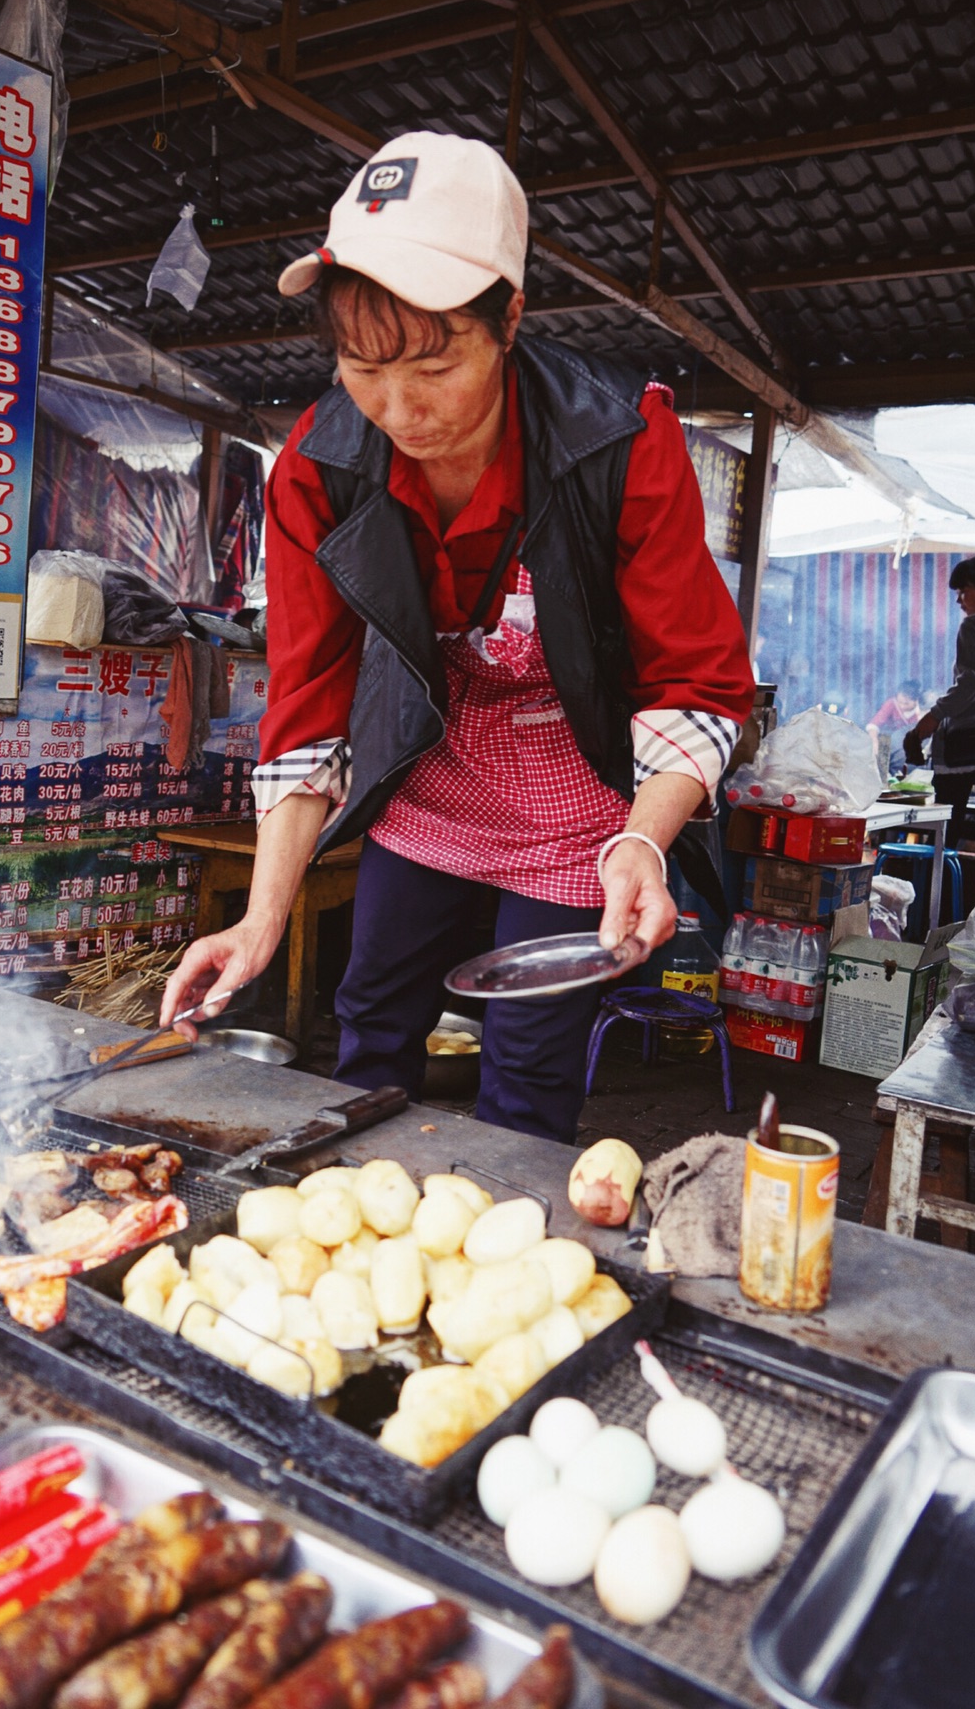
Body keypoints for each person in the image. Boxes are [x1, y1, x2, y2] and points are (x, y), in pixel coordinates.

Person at [161, 132, 754, 1142]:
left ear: (509, 319)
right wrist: (261, 919)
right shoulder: (319, 467)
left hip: (582, 822)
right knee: (369, 1031)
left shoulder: (620, 442)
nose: (399, 408)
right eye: (361, 367)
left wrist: (643, 843)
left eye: (435, 362)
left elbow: (695, 682)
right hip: (427, 790)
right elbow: (309, 702)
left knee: (527, 1072)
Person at [905, 556, 975, 897]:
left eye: (964, 592)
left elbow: (970, 683)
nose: (959, 601)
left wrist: (931, 718)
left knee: (942, 838)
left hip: (962, 748)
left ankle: (926, 920)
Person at [868, 678, 924, 776]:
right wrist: (874, 741)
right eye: (900, 702)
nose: (902, 706)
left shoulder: (922, 712)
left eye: (906, 703)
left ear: (916, 701)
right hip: (891, 745)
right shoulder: (891, 704)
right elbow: (874, 724)